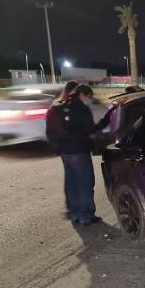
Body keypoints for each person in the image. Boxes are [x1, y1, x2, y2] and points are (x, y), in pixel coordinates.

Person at [46, 84, 102, 226]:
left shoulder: (60, 106)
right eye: (89, 97)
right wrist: (102, 124)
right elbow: (90, 129)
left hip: (65, 152)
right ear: (83, 94)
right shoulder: (82, 109)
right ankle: (86, 215)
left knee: (72, 184)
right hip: (80, 150)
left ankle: (75, 214)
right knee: (85, 183)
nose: (89, 100)